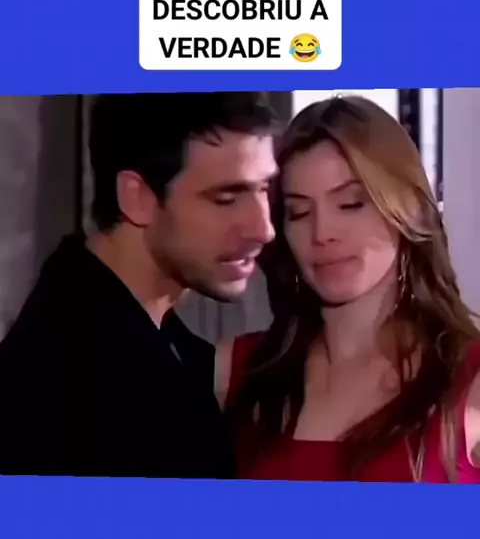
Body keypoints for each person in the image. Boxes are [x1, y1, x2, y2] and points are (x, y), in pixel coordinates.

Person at [0, 92, 278, 478]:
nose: (264, 230)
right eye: (226, 198)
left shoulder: (156, 339)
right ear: (137, 197)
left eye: (264, 189)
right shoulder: (73, 384)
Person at [220, 96, 480, 482]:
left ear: (405, 208)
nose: (323, 233)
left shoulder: (468, 378)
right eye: (299, 212)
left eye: (351, 203)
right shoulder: (235, 371)